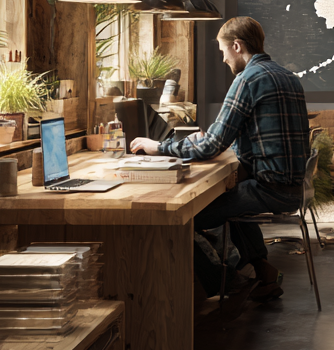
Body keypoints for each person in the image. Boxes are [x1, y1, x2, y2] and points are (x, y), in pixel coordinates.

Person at [130, 16, 309, 302]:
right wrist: (212, 139)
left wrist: (158, 147)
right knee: (231, 198)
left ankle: (226, 280)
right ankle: (264, 273)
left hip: (269, 190)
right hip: (291, 188)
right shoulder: (287, 76)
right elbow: (259, 134)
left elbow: (211, 146)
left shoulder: (247, 80)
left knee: (183, 218)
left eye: (223, 50)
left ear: (237, 46)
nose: (223, 59)